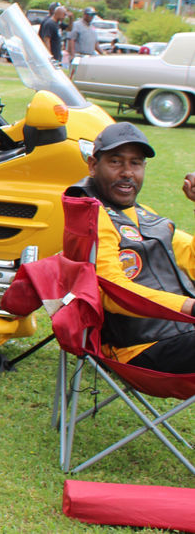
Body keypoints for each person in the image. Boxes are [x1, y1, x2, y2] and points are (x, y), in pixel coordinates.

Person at [66, 122, 195, 372]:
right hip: (140, 347)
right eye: (116, 162)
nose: (127, 172)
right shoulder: (92, 215)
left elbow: (191, 261)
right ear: (93, 165)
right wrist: (189, 307)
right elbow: (112, 291)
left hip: (182, 335)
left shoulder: (143, 215)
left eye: (135, 163)